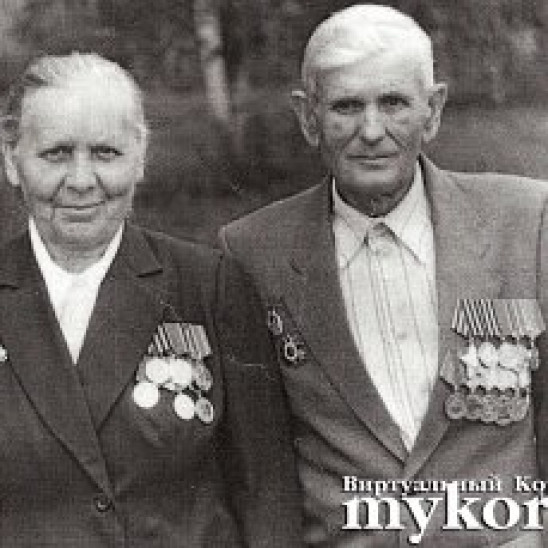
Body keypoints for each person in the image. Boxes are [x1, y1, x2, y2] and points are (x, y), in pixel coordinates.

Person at [220, 4, 548, 546]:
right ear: (308, 117)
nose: (371, 131)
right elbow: (257, 470)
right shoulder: (253, 252)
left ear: (432, 110)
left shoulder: (527, 220)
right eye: (346, 106)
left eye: (394, 103)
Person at [0, 52, 301, 547]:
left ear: (140, 158)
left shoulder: (210, 287)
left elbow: (266, 493)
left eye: (106, 153)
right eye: (55, 154)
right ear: (13, 161)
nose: (81, 180)